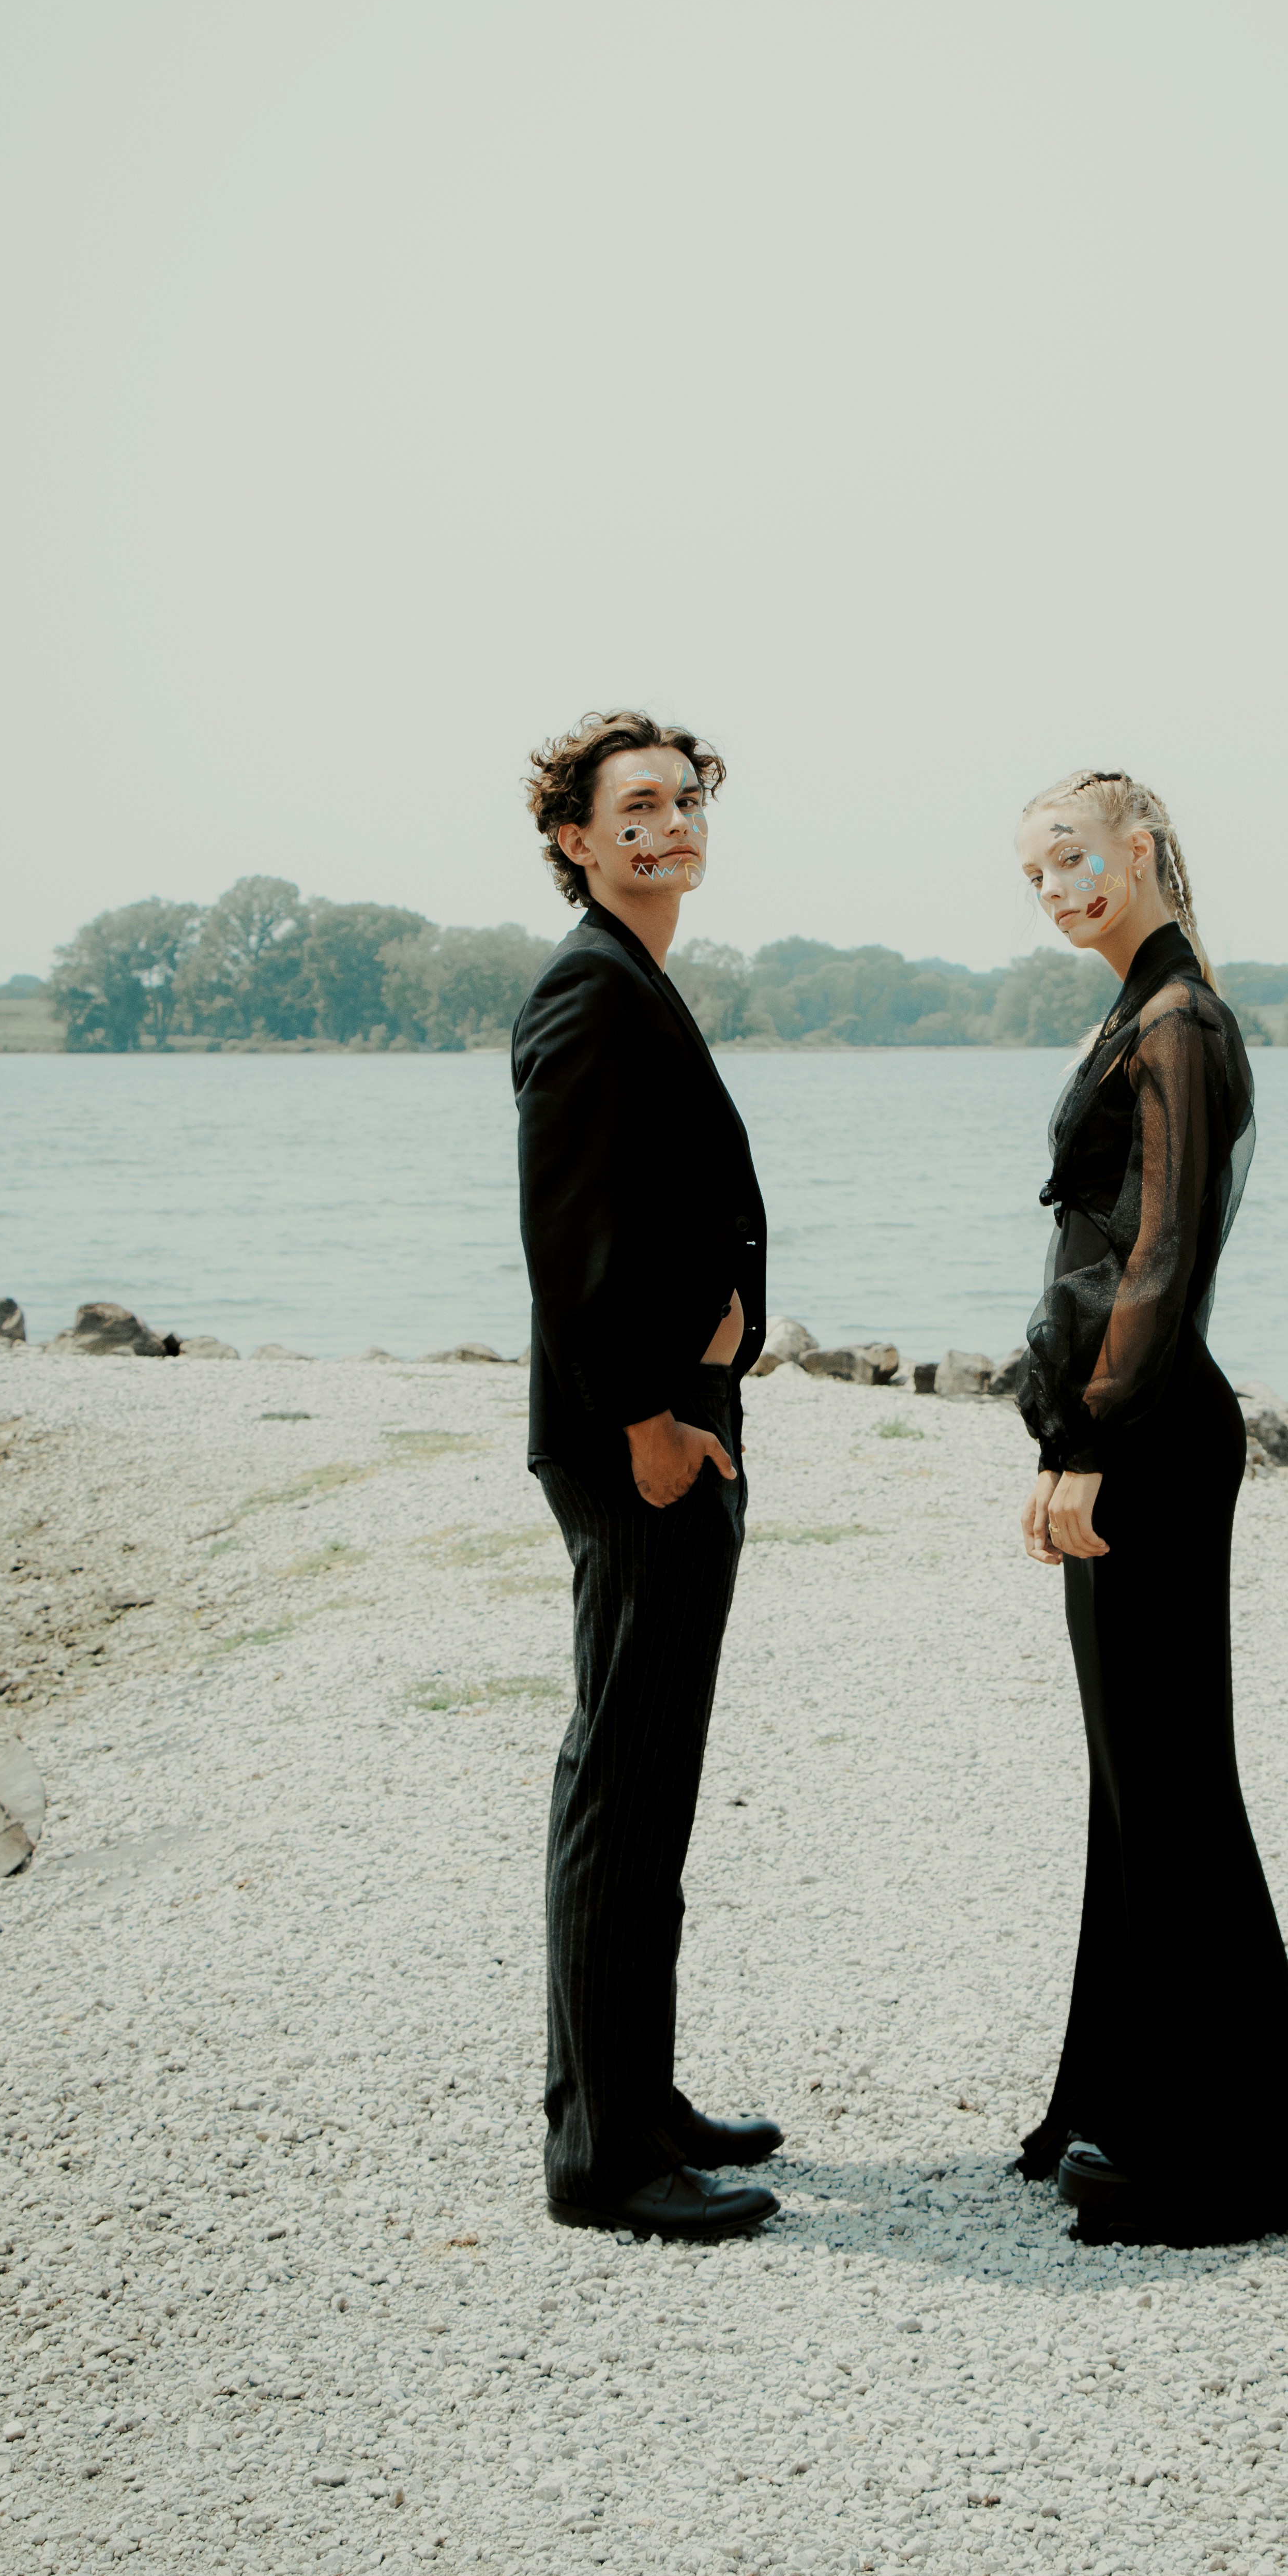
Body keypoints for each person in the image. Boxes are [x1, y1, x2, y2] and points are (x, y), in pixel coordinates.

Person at [1010, 769, 1288, 2245]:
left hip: (1146, 1439)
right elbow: (1103, 1256)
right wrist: (1064, 1435)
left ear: (1144, 847)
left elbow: (1158, 1259)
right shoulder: (1137, 1010)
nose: (1061, 888)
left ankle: (1232, 2149)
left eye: (1077, 857)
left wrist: (1086, 1437)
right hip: (1123, 1432)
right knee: (1128, 1785)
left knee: (1171, 1784)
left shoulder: (1180, 1022)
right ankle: (1118, 2092)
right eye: (1038, 874)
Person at [513, 709, 780, 2240]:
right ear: (575, 838)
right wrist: (650, 1422)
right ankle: (606, 2160)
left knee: (652, 1779)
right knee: (620, 1784)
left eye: (685, 803)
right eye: (636, 808)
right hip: (642, 1452)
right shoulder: (590, 992)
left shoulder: (639, 981)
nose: (669, 826)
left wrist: (719, 1338)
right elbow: (570, 1239)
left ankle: (640, 2094)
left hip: (679, 1421)